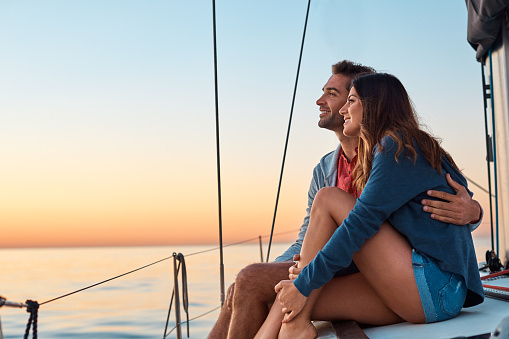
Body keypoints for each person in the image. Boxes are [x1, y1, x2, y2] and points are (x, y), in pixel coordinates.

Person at [207, 61, 483, 338]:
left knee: (327, 201)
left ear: (373, 105)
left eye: (348, 100)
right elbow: (310, 235)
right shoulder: (340, 163)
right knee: (280, 296)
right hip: (410, 289)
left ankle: (294, 327)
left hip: (432, 286)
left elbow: (360, 224)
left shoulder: (396, 147)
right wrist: (296, 276)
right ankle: (294, 328)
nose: (342, 109)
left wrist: (475, 212)